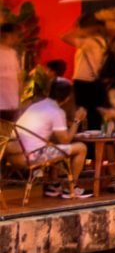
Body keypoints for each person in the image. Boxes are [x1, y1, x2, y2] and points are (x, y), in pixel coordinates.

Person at [11, 69, 88, 199]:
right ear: (68, 97)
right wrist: (77, 120)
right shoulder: (56, 111)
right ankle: (71, 188)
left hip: (13, 155)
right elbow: (65, 140)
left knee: (55, 145)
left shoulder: (37, 105)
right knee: (81, 148)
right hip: (30, 157)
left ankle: (53, 184)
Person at [0, 19, 21, 120]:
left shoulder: (13, 53)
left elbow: (18, 75)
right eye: (15, 35)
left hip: (11, 102)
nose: (16, 38)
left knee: (7, 133)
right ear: (5, 35)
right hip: (1, 101)